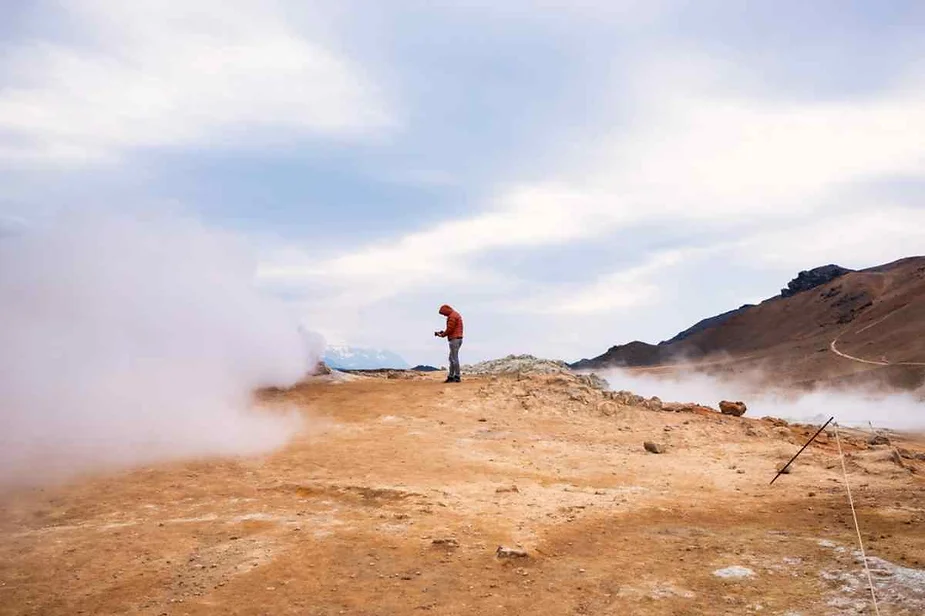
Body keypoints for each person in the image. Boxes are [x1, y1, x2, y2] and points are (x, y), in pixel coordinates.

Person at [435, 304, 464, 383]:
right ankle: (452, 376)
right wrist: (444, 333)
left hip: (454, 339)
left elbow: (450, 329)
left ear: (446, 310)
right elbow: (451, 328)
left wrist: (442, 335)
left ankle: (456, 376)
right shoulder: (455, 315)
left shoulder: (452, 316)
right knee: (452, 358)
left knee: (453, 359)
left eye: (443, 313)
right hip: (458, 338)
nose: (444, 315)